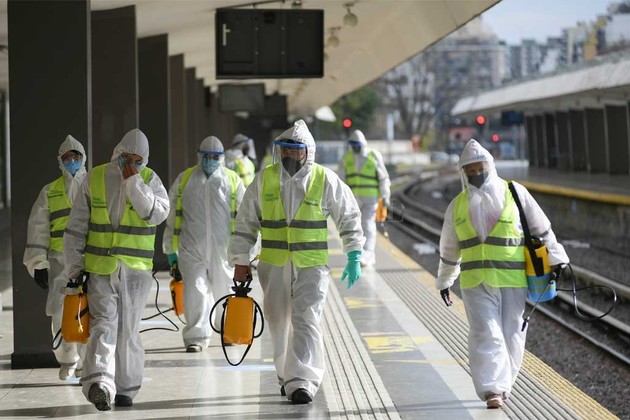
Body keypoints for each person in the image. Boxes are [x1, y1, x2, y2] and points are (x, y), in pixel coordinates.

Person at [229, 120, 364, 404]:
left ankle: (303, 381)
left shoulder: (324, 179)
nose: (289, 155)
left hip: (311, 264)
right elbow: (246, 222)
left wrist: (354, 253)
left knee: (307, 318)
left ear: (307, 152)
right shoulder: (265, 179)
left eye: (295, 150)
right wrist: (241, 260)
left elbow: (348, 215)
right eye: (285, 150)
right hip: (274, 264)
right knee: (278, 322)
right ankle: (285, 375)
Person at [436, 139, 569, 409]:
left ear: (490, 166)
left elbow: (542, 230)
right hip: (475, 283)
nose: (477, 174)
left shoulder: (515, 193)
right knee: (486, 332)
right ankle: (492, 390)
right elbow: (449, 249)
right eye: (471, 170)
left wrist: (557, 259)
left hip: (512, 279)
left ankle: (503, 384)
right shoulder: (457, 206)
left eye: (480, 168)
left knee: (512, 335)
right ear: (463, 173)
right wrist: (445, 281)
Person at [63, 128, 169, 411]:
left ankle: (127, 387)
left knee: (128, 330)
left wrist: (134, 183)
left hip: (135, 272)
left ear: (144, 161)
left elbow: (155, 214)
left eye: (137, 160)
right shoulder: (96, 177)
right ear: (118, 153)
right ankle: (99, 381)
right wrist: (74, 268)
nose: (130, 164)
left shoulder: (149, 179)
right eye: (126, 158)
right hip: (100, 268)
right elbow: (77, 226)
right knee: (104, 323)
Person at [163, 136, 244, 353]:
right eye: (206, 156)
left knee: (225, 290)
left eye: (215, 157)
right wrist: (170, 250)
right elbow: (172, 216)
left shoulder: (232, 180)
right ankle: (196, 337)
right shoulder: (185, 179)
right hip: (191, 248)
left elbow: (246, 217)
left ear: (222, 158)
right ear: (199, 156)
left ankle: (227, 330)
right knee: (195, 290)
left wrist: (246, 252)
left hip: (223, 249)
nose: (210, 160)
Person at [23, 135, 88, 381]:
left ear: (83, 158)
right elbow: (38, 229)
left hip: (89, 261)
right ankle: (67, 358)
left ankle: (86, 364)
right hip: (60, 263)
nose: (72, 161)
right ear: (60, 161)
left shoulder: (93, 185)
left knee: (88, 313)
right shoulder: (50, 192)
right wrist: (38, 263)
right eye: (67, 158)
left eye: (76, 157)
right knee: (60, 313)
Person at [337, 129, 391, 267]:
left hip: (370, 199)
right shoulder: (346, 158)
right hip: (353, 200)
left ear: (363, 144)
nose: (355, 148)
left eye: (357, 145)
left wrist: (385, 196)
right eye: (353, 145)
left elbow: (383, 178)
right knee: (355, 227)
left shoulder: (374, 156)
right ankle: (359, 254)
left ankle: (368, 254)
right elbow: (341, 181)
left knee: (367, 225)